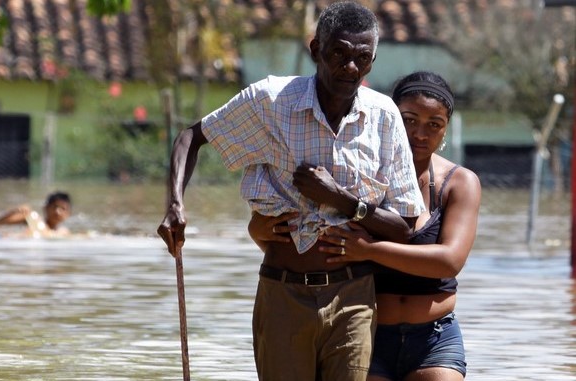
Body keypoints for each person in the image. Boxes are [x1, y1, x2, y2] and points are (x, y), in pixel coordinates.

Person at [157, 2, 425, 380]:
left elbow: (404, 228)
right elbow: (191, 137)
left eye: (362, 59)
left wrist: (342, 200)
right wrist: (174, 205)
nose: (350, 67)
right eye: (339, 53)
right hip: (283, 293)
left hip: (352, 299)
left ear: (372, 62)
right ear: (315, 50)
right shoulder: (271, 101)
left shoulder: (383, 117)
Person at [251, 71, 481, 380]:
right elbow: (301, 236)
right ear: (388, 119)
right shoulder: (356, 173)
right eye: (409, 120)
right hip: (366, 331)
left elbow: (449, 262)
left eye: (434, 125)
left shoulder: (459, 183)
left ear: (445, 131)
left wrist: (370, 251)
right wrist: (257, 230)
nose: (420, 134)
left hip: (434, 337)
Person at [0, 191, 72, 237]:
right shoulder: (33, 219)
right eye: (55, 207)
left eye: (63, 209)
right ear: (45, 208)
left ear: (68, 213)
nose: (57, 212)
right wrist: (15, 210)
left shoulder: (63, 232)